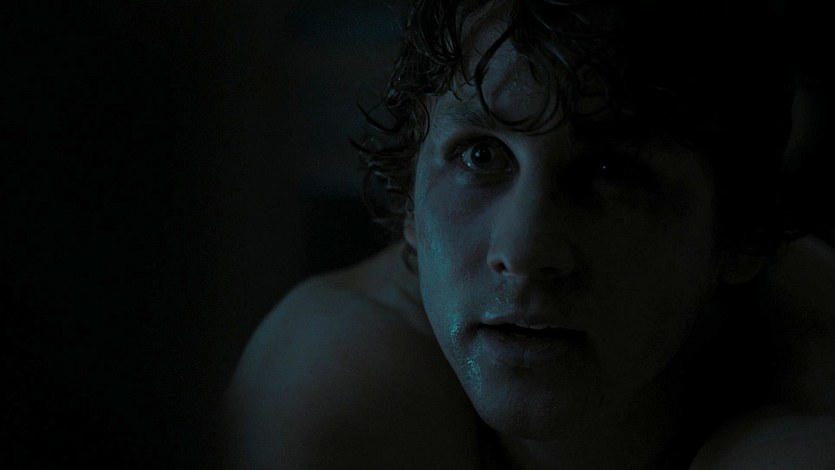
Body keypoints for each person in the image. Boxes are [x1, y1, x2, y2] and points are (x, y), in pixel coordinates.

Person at [227, 0, 835, 468]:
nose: (524, 252)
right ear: (409, 201)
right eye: (480, 156)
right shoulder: (335, 391)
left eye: (609, 171)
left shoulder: (808, 384)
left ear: (741, 235)